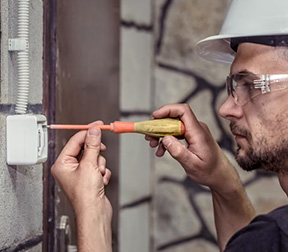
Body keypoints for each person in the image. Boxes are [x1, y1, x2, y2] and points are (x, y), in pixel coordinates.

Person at [51, 0, 288, 251]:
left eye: (250, 85)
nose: (225, 109)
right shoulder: (268, 238)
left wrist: (91, 213)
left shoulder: (275, 236)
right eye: (234, 86)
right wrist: (222, 180)